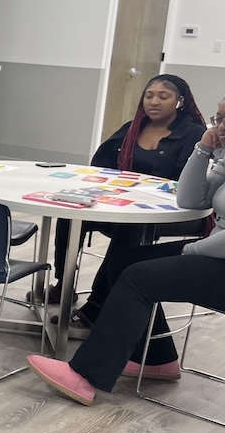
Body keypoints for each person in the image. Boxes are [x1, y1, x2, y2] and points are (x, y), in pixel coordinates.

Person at [28, 80, 225, 406]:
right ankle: (157, 359)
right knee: (124, 261)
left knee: (140, 276)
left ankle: (85, 376)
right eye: (218, 117)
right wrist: (203, 148)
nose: (221, 125)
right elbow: (191, 198)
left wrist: (188, 250)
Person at [43, 74, 207, 308]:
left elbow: (186, 183)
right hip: (125, 205)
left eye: (163, 96)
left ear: (179, 100)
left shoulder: (193, 133)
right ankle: (64, 284)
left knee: (131, 226)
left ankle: (98, 303)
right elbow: (101, 167)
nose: (154, 102)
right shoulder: (132, 129)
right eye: (149, 96)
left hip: (176, 212)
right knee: (72, 214)